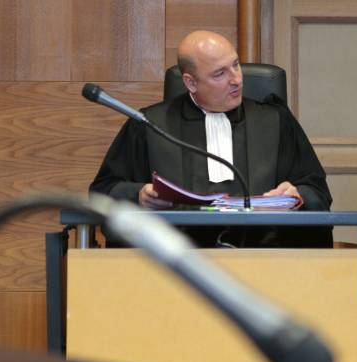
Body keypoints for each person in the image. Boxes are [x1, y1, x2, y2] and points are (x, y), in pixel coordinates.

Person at [90, 31, 332, 247]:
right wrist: (139, 195)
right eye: (220, 74)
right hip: (176, 267)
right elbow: (103, 193)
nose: (236, 79)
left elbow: (317, 192)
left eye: (236, 65)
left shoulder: (276, 120)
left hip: (263, 260)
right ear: (190, 82)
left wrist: (297, 195)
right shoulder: (148, 125)